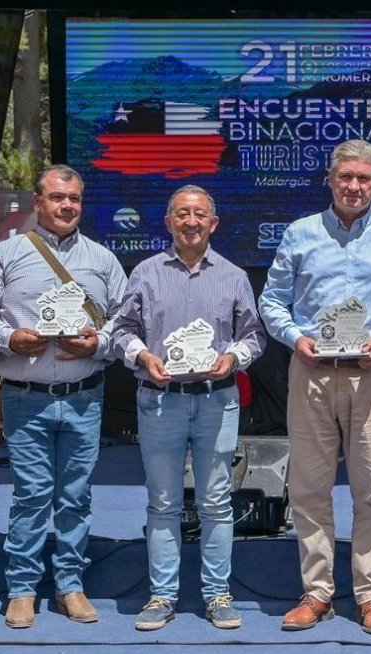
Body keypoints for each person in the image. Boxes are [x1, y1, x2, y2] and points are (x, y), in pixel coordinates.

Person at [258, 139, 371, 635]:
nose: (353, 186)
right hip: (311, 373)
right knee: (309, 489)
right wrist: (295, 337)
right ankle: (317, 593)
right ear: (329, 180)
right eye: (345, 177)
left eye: (363, 178)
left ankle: (370, 595)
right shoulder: (300, 234)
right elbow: (271, 301)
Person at [0, 164, 128, 629]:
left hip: (84, 395)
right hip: (27, 396)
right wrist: (9, 338)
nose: (66, 206)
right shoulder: (8, 253)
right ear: (37, 202)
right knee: (31, 495)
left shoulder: (102, 258)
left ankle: (70, 585)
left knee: (76, 497)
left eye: (74, 198)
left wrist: (98, 343)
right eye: (57, 198)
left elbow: (126, 319)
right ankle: (22, 588)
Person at [110, 185, 265, 631]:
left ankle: (218, 595)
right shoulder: (145, 273)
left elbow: (254, 335)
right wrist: (143, 357)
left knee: (216, 502)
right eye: (182, 214)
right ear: (169, 222)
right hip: (160, 401)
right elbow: (121, 331)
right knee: (163, 503)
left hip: (217, 400)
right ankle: (162, 595)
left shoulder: (234, 275)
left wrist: (233, 358)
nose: (191, 221)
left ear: (213, 223)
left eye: (199, 214)